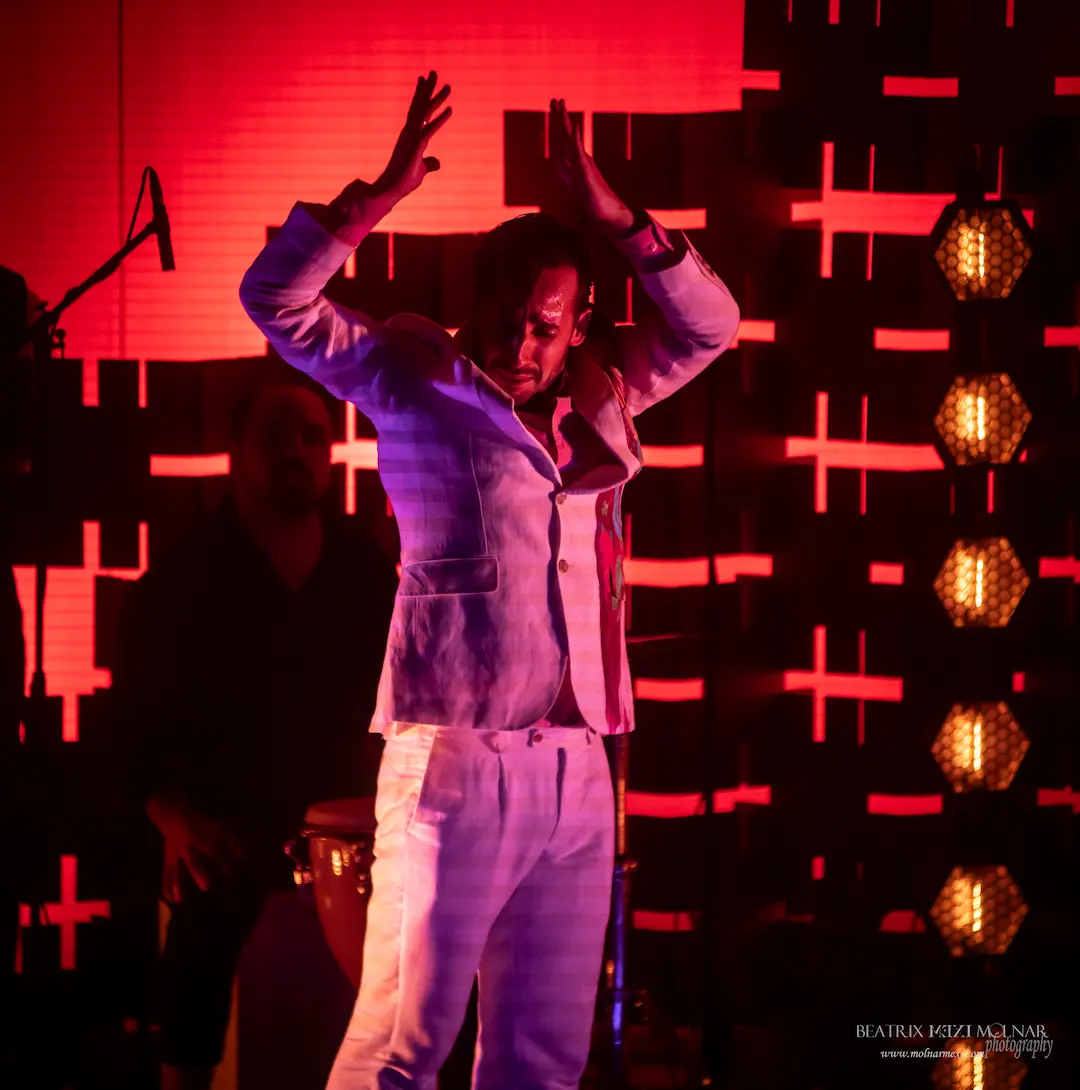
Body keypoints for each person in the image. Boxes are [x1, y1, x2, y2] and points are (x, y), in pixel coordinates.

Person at [239, 72, 740, 1090]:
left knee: (541, 1063)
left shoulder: (604, 394)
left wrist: (618, 219)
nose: (524, 343)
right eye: (511, 318)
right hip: (457, 756)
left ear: (578, 323)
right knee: (400, 1048)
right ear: (478, 306)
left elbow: (712, 325)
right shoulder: (415, 379)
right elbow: (276, 301)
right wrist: (366, 206)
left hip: (578, 769)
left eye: (548, 327)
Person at [109, 366, 398, 1090]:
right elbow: (127, 725)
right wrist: (171, 817)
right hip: (229, 828)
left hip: (353, 834)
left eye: (312, 437)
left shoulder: (368, 573)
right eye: (277, 435)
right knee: (201, 924)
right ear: (237, 449)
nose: (297, 451)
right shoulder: (182, 582)